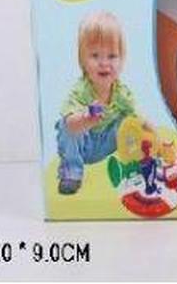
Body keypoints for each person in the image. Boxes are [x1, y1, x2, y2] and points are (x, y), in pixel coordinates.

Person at [56, 12, 136, 195]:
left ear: (122, 59)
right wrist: (84, 120)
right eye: (95, 55)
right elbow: (70, 125)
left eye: (112, 56)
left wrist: (148, 132)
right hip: (82, 146)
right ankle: (71, 173)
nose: (104, 63)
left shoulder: (122, 93)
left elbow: (137, 119)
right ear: (83, 61)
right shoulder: (81, 90)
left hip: (106, 144)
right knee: (65, 124)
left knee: (129, 122)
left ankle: (133, 166)